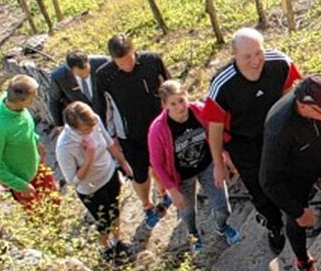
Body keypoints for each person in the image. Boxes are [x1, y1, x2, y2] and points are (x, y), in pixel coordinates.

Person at [204, 27, 302, 256]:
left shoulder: (280, 63)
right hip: (242, 141)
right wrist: (218, 163)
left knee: (288, 172)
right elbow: (215, 129)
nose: (255, 60)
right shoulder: (222, 85)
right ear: (235, 56)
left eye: (259, 52)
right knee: (259, 187)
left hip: (274, 129)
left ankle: (297, 213)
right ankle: (274, 224)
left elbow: (287, 94)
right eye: (247, 56)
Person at [260, 75, 321, 271]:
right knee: (296, 221)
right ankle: (303, 261)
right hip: (293, 173)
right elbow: (268, 180)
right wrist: (298, 211)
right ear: (303, 106)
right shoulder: (279, 129)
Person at [147, 80, 240, 253]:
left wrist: (224, 158)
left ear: (187, 97)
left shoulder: (200, 111)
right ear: (164, 105)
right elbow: (157, 164)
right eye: (173, 104)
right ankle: (194, 235)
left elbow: (218, 133)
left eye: (181, 100)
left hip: (207, 165)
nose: (179, 107)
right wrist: (172, 190)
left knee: (223, 207)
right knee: (187, 212)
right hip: (181, 176)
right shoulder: (158, 130)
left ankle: (222, 226)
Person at [93, 33, 172, 229]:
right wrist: (111, 140)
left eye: (129, 59)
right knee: (140, 173)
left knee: (160, 163)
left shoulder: (152, 61)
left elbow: (169, 88)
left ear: (134, 49)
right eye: (121, 63)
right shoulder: (104, 76)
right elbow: (103, 110)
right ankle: (146, 205)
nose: (127, 66)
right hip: (129, 135)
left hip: (158, 127)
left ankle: (163, 193)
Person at [55, 101, 134, 261]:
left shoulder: (94, 120)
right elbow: (73, 180)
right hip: (91, 189)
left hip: (109, 174)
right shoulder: (64, 147)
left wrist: (123, 162)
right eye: (86, 130)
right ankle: (106, 249)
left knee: (115, 210)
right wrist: (89, 157)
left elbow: (109, 144)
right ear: (74, 128)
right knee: (103, 222)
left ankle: (118, 241)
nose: (91, 130)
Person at [0, 75, 59, 211]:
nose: (36, 97)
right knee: (40, 215)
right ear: (22, 100)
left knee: (54, 202)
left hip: (37, 166)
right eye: (33, 96)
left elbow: (25, 125)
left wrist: (36, 141)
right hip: (23, 179)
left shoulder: (11, 103)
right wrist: (21, 185)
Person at [49, 49, 108, 130]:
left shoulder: (102, 63)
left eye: (87, 72)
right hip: (82, 122)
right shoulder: (59, 77)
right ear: (70, 69)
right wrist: (59, 126)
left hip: (106, 115)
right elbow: (54, 101)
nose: (85, 76)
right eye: (81, 75)